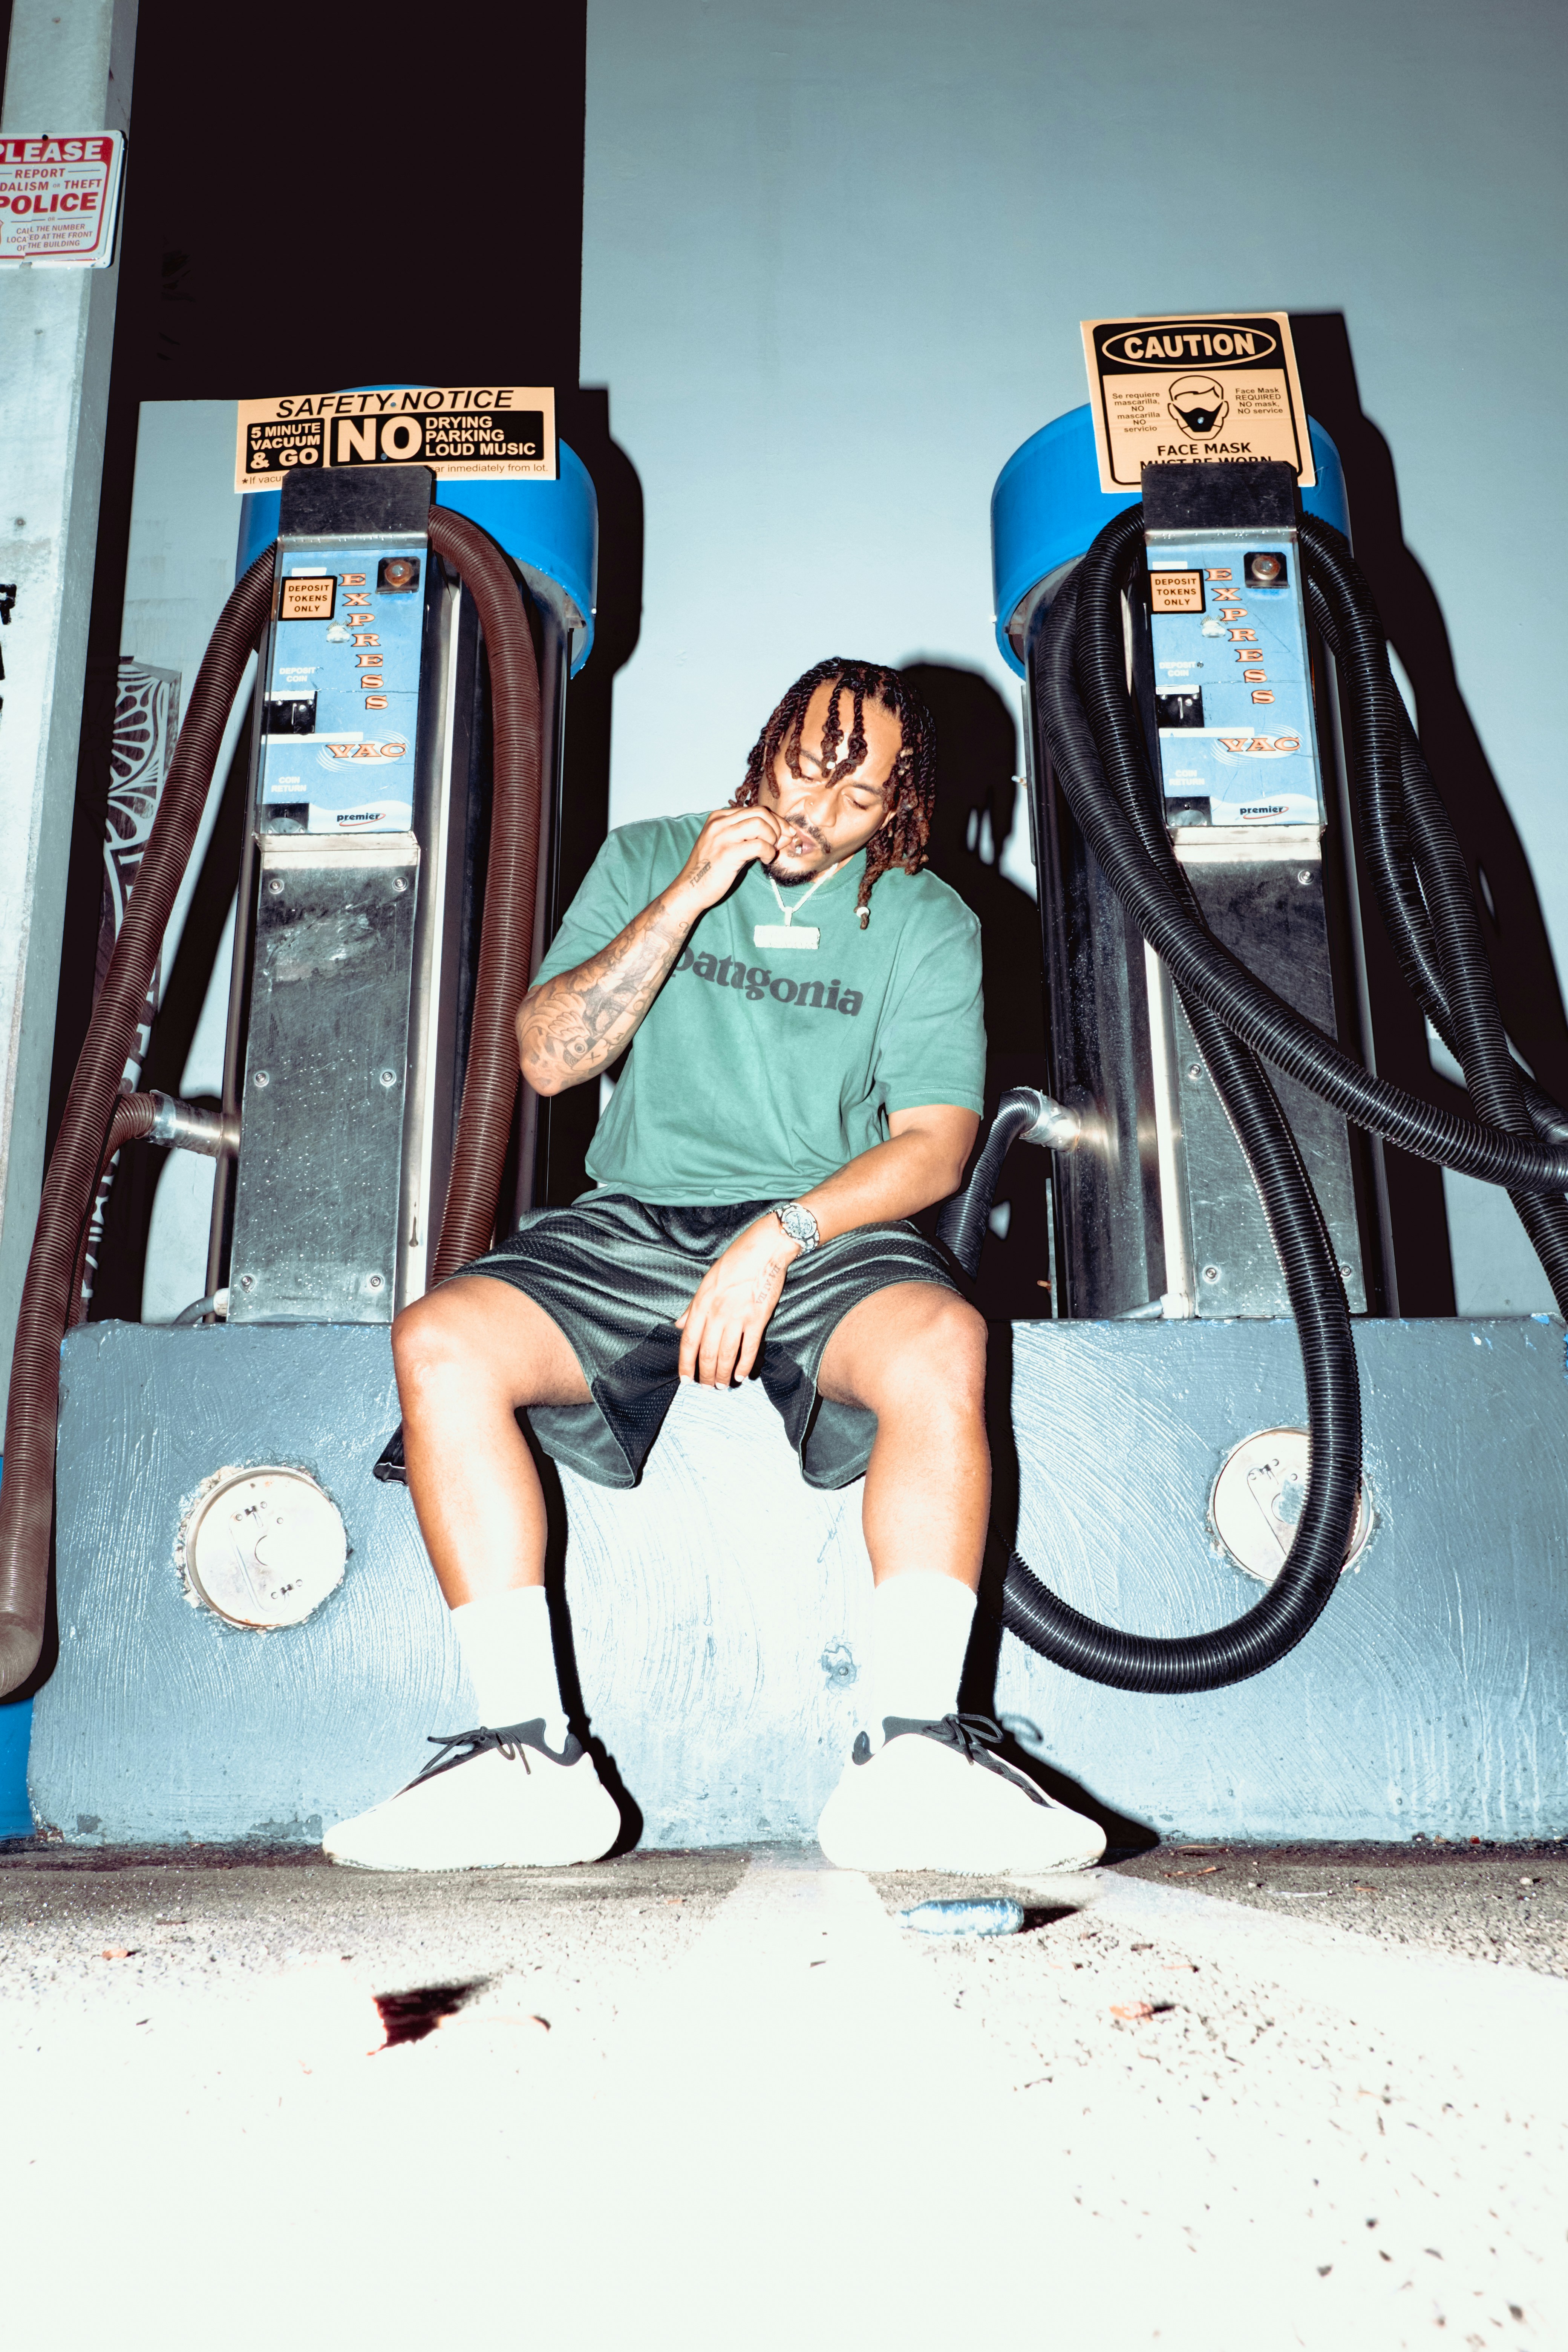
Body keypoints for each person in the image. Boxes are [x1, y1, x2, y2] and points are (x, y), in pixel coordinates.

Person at [323, 658, 1104, 1877]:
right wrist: (689, 897)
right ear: (767, 745)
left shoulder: (925, 918)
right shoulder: (650, 859)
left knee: (945, 1343)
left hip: (823, 1227)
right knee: (441, 1342)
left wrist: (780, 1235)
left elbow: (938, 1144)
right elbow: (547, 1059)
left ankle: (909, 1758)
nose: (815, 811)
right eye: (804, 768)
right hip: (636, 1217)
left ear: (900, 803)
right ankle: (532, 1760)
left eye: (858, 798)